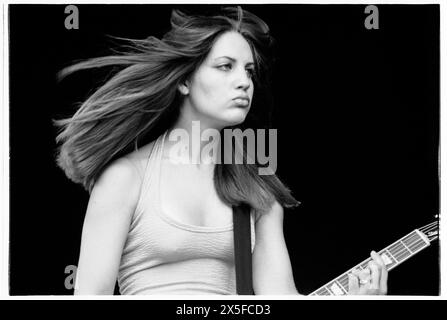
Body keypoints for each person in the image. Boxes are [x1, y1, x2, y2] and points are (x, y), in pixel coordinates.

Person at [55, 6, 388, 295]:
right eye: (226, 66)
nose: (244, 81)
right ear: (184, 81)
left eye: (249, 71)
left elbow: (282, 295)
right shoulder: (125, 178)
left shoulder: (257, 188)